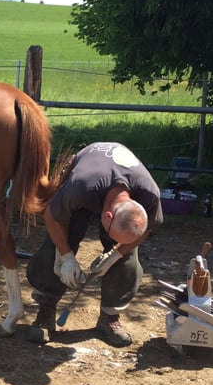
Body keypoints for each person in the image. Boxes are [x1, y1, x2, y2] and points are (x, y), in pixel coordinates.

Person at [26, 142, 163, 347]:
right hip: (86, 183)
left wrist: (117, 253)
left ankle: (109, 316)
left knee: (128, 258)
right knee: (61, 241)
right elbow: (53, 217)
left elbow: (149, 227)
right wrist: (66, 257)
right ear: (106, 216)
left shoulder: (150, 196)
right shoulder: (81, 186)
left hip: (110, 188)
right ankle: (46, 308)